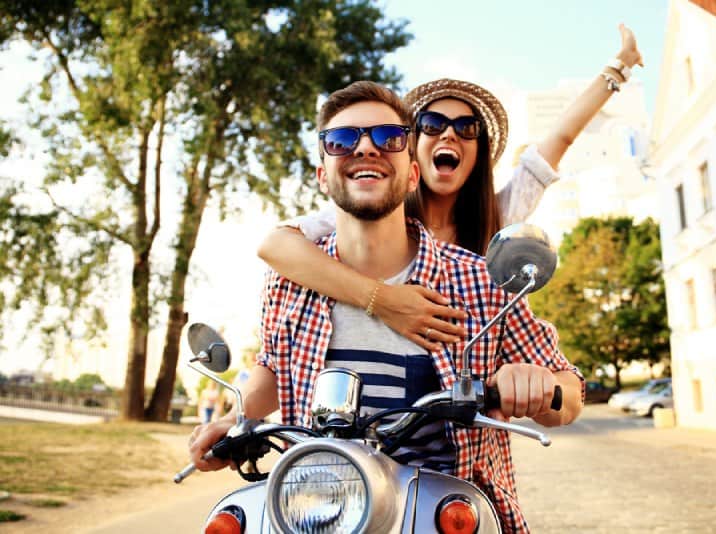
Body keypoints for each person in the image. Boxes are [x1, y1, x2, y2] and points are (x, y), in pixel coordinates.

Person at [189, 81, 584, 533]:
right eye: (341, 141)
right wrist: (233, 423)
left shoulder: (480, 279)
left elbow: (569, 393)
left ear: (412, 172)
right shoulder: (289, 281)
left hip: (443, 514)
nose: (365, 148)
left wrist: (536, 384)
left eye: (387, 138)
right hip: (318, 512)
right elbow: (275, 370)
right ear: (323, 175)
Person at [256, 24, 644, 351]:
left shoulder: (500, 218)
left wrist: (619, 68)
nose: (449, 134)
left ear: (479, 152)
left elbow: (559, 137)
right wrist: (383, 300)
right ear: (410, 150)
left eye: (466, 128)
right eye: (432, 124)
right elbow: (274, 246)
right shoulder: (379, 214)